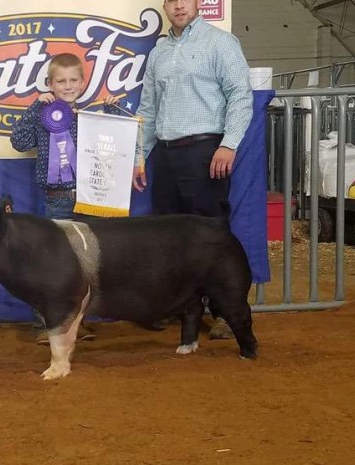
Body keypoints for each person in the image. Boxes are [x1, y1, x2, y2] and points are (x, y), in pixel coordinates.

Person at [133, 0, 253, 339]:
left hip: (205, 150)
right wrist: (140, 157)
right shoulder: (159, 52)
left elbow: (240, 96)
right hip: (165, 154)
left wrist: (228, 144)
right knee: (168, 237)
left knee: (211, 237)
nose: (178, 6)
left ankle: (226, 314)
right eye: (172, 0)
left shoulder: (220, 42)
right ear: (165, 6)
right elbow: (148, 108)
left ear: (198, 2)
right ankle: (179, 309)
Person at [10, 53, 121, 345]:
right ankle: (46, 323)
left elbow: (113, 144)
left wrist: (112, 112)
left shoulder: (89, 117)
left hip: (88, 199)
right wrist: (36, 107)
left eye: (73, 80)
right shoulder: (43, 115)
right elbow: (19, 141)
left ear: (83, 84)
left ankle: (76, 323)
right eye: (61, 81)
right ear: (50, 84)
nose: (68, 86)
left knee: (87, 263)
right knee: (54, 263)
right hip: (57, 199)